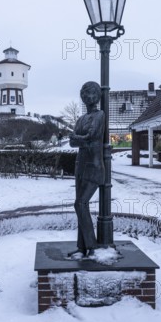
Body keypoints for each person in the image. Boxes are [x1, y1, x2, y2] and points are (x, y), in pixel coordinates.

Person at [69, 81, 105, 259]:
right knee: (80, 206)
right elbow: (73, 142)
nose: (87, 97)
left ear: (97, 96)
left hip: (94, 166)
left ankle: (92, 246)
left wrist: (79, 138)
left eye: (91, 94)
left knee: (80, 204)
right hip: (80, 164)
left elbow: (92, 136)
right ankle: (81, 247)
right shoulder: (81, 119)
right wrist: (80, 138)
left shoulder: (100, 115)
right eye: (84, 94)